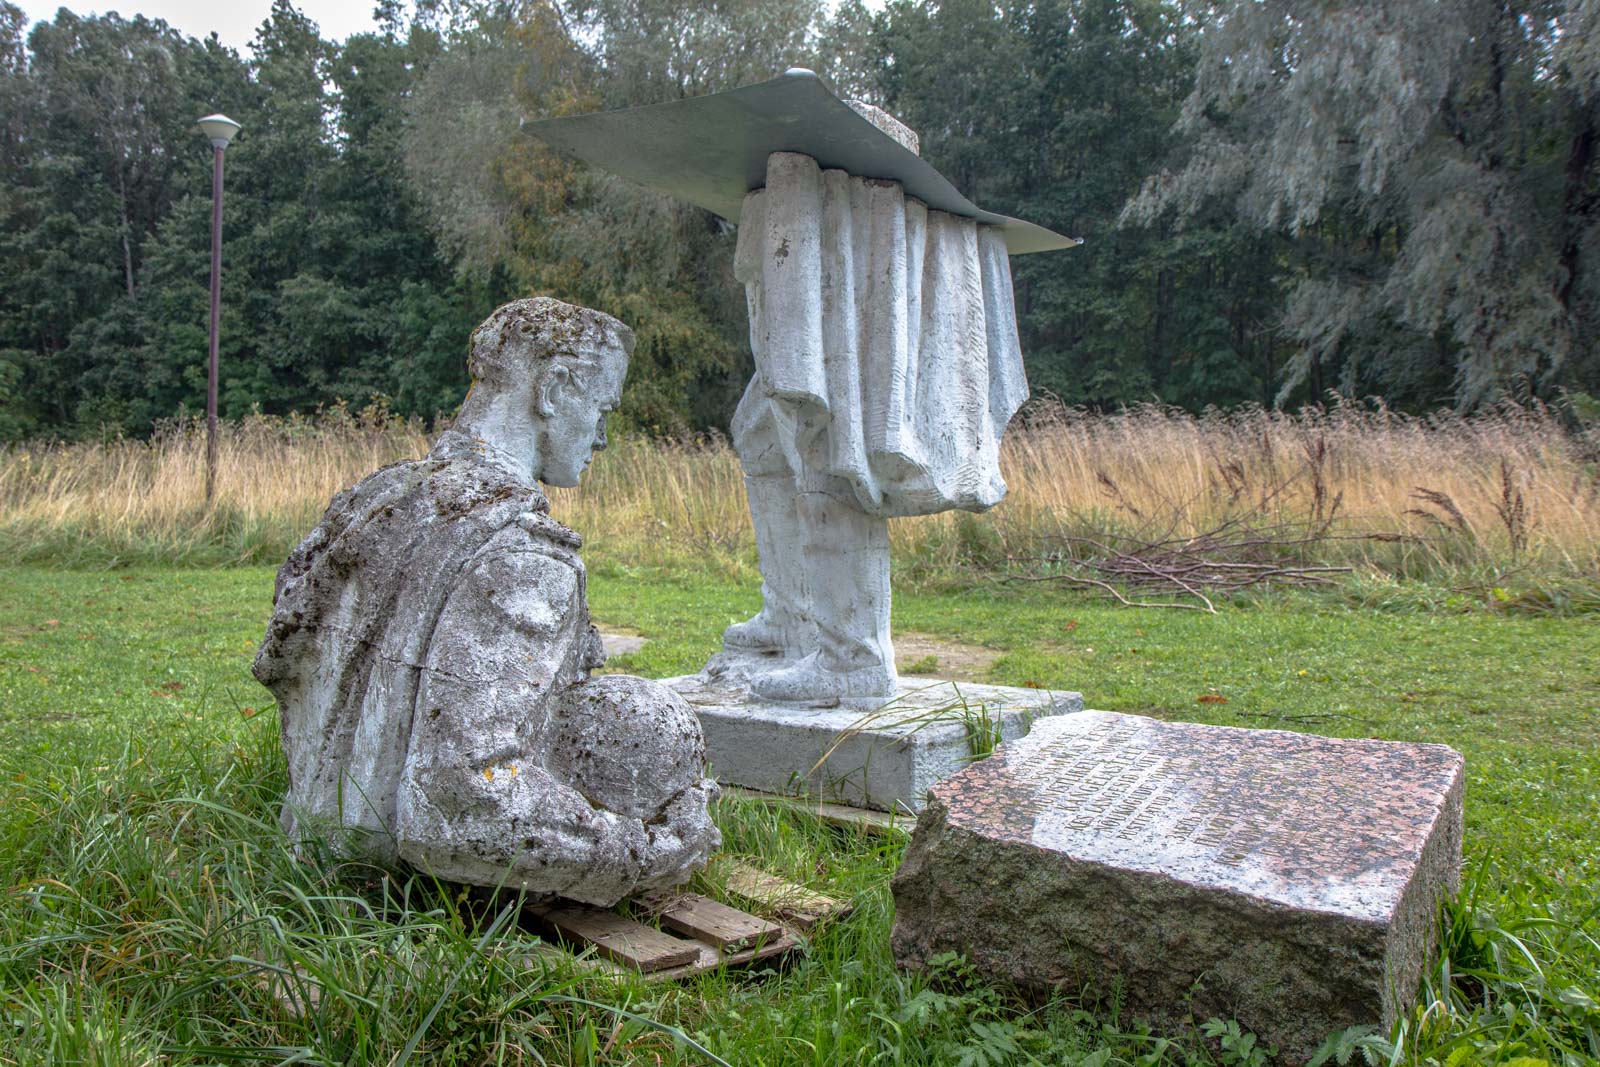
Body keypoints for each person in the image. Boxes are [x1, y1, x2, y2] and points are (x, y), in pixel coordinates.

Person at [253, 298, 719, 907]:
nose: (603, 437)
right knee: (656, 722)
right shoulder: (523, 558)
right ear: (552, 389)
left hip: (313, 848)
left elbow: (280, 662)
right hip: (411, 892)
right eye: (602, 410)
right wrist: (642, 853)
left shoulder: (378, 501)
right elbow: (457, 801)